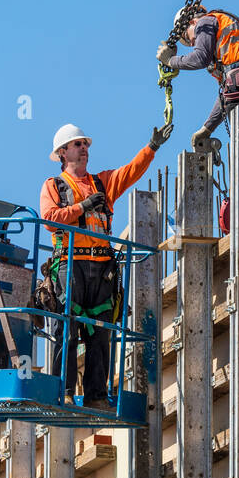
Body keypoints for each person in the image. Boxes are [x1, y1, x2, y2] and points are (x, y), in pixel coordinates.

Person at [39, 121, 170, 411]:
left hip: (101, 269)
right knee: (68, 329)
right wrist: (83, 207)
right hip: (70, 266)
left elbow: (130, 171)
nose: (84, 148)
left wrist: (152, 148)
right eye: (78, 144)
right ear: (62, 152)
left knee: (100, 332)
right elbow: (49, 219)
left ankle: (97, 395)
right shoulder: (54, 186)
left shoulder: (102, 183)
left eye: (85, 144)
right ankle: (65, 391)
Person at [157, 4, 239, 200]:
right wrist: (207, 128)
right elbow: (226, 91)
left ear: (191, 22)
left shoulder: (205, 22)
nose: (192, 43)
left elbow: (199, 58)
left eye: (188, 38)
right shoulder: (226, 45)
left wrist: (171, 61)